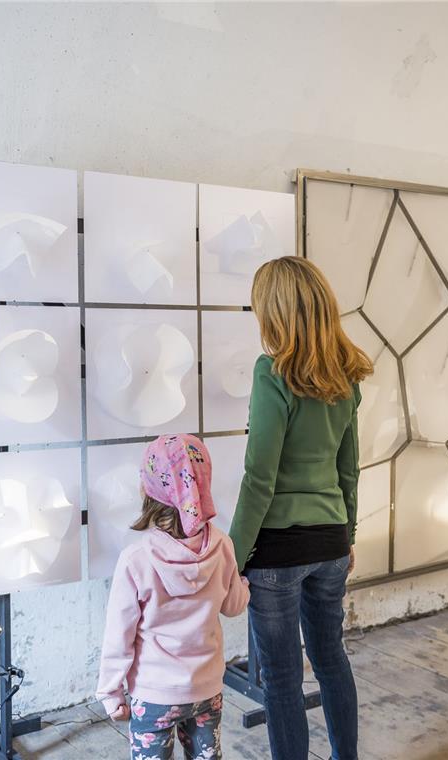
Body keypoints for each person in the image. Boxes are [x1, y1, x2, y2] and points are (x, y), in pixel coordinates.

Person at [229, 256, 373, 760]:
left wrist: (232, 556)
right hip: (330, 541)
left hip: (277, 552)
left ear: (274, 312)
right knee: (331, 659)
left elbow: (259, 477)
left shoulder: (271, 373)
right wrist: (347, 536)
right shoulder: (346, 378)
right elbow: (349, 469)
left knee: (283, 679)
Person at [97, 432, 251, 760]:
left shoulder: (136, 559)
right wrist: (244, 585)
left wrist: (111, 692)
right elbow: (234, 606)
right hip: (206, 689)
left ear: (148, 489)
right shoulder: (222, 546)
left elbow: (118, 635)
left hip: (154, 695)